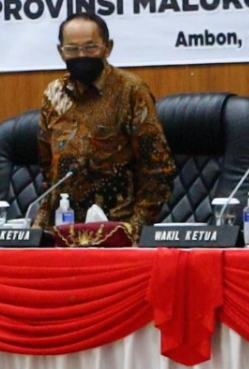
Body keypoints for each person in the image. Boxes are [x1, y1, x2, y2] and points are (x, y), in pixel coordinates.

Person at [33, 12, 174, 237]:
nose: (81, 55)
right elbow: (49, 172)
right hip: (61, 230)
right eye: (72, 49)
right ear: (61, 52)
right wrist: (37, 227)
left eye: (90, 48)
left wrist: (134, 229)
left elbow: (158, 170)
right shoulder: (53, 94)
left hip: (116, 229)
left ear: (107, 47)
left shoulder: (130, 91)